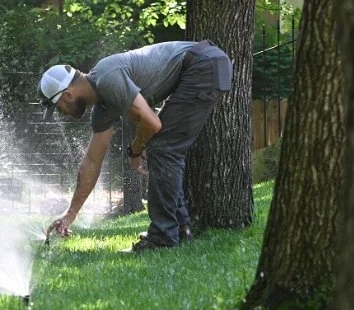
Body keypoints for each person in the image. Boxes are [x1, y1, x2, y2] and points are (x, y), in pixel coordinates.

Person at [40, 40, 232, 252]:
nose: (61, 113)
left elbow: (152, 123)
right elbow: (92, 162)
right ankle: (178, 230)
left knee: (163, 148)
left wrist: (136, 149)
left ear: (67, 95)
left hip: (202, 65)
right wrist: (70, 214)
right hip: (203, 64)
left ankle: (162, 237)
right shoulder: (103, 108)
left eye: (58, 108)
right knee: (162, 148)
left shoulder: (107, 78)